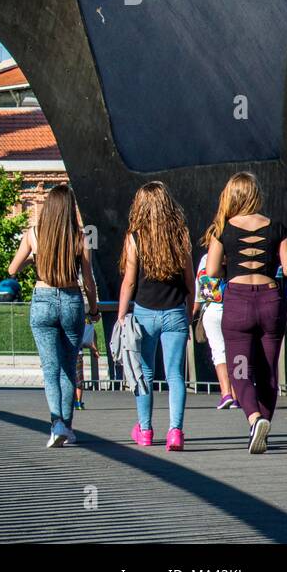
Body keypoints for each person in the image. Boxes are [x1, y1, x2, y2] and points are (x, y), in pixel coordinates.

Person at [205, 172, 287, 454]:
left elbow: (211, 271)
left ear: (231, 196)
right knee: (268, 371)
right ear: (256, 194)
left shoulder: (222, 229)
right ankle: (263, 424)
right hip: (270, 302)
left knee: (239, 368)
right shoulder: (277, 227)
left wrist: (232, 259)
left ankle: (254, 419)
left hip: (238, 305)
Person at [8, 183, 98, 447]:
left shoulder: (34, 234)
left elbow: (12, 269)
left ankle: (56, 423)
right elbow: (89, 281)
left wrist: (34, 259)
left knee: (50, 369)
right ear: (70, 209)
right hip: (71, 300)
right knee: (68, 368)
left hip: (43, 300)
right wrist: (93, 310)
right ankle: (67, 428)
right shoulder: (81, 238)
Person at [117, 182, 194, 451]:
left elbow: (129, 282)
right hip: (175, 313)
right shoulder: (180, 235)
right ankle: (175, 432)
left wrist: (121, 315)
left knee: (144, 374)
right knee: (175, 375)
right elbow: (189, 280)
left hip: (144, 313)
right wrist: (189, 309)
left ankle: (146, 430)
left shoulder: (135, 237)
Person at [193, 255, 235, 409]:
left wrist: (192, 314)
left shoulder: (206, 258)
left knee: (219, 352)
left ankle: (226, 393)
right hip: (235, 309)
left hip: (212, 310)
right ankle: (239, 394)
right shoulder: (237, 252)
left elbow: (200, 292)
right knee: (238, 351)